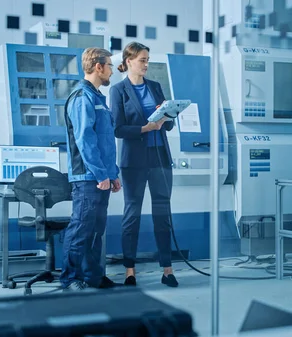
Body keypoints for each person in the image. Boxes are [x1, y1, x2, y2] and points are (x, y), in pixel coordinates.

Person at [109, 42, 179, 287]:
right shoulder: (118, 91)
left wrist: (167, 114)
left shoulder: (155, 87)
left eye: (148, 59)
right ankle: (130, 271)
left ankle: (168, 270)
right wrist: (144, 128)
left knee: (162, 214)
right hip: (134, 162)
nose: (146, 64)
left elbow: (168, 125)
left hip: (159, 157)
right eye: (142, 60)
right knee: (132, 214)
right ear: (129, 61)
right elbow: (117, 129)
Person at [60, 47, 122, 291]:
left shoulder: (98, 99)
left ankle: (92, 276)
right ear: (98, 67)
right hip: (88, 178)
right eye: (109, 66)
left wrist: (112, 174)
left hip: (101, 177)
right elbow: (85, 141)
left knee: (96, 231)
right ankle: (70, 279)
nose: (111, 71)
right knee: (81, 229)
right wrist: (100, 174)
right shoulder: (81, 97)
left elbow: (106, 143)